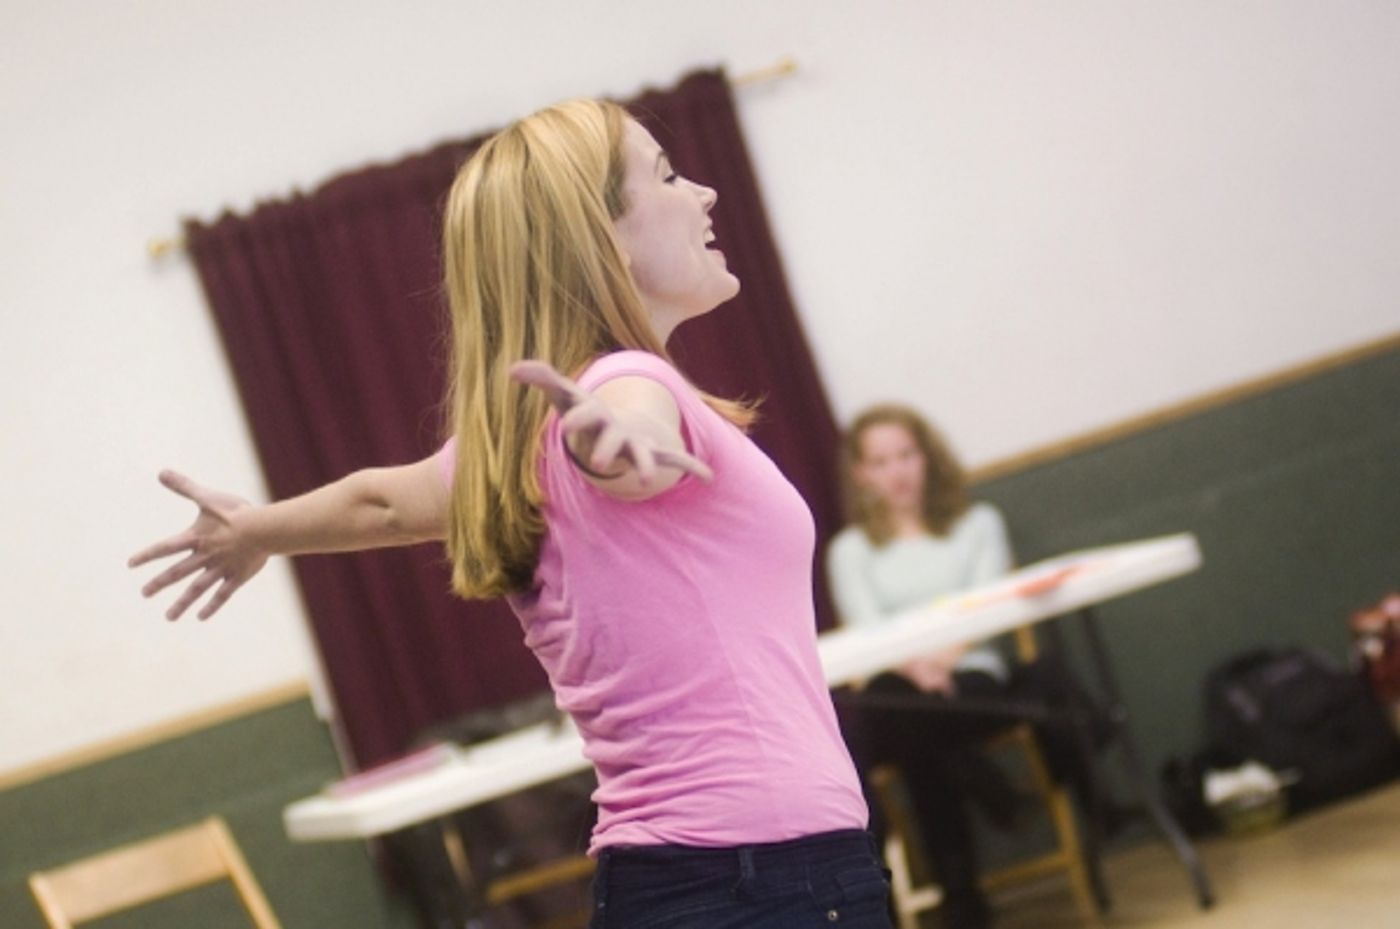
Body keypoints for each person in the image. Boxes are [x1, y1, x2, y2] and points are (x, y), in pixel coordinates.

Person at [129, 99, 891, 929]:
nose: (704, 193)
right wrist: (619, 443)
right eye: (668, 175)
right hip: (764, 882)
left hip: (680, 883)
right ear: (600, 238)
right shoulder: (627, 386)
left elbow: (380, 503)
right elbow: (623, 427)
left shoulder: (505, 447)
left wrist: (255, 530)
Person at [827, 404, 1110, 929]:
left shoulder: (979, 523)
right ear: (862, 473)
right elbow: (870, 631)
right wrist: (919, 669)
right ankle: (989, 793)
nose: (898, 471)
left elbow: (989, 606)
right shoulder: (850, 551)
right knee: (901, 704)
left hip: (975, 684)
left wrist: (940, 661)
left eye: (906, 455)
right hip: (901, 685)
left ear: (926, 456)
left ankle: (963, 895)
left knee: (912, 722)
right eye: (882, 461)